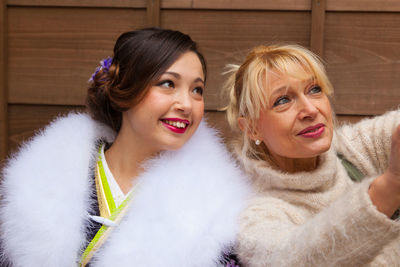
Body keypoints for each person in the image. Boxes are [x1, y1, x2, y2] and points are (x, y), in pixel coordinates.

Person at [0, 28, 251, 266]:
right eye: (168, 84)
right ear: (124, 89)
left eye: (197, 90)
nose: (187, 103)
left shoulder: (215, 208)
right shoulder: (41, 181)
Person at [225, 44, 400, 266]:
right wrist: (389, 189)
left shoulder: (350, 150)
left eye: (314, 90)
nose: (310, 110)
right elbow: (289, 259)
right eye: (283, 100)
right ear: (252, 128)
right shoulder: (256, 215)